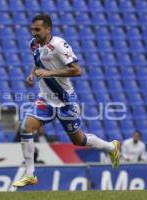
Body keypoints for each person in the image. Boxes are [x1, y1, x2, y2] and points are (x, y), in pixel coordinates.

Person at [12, 14, 120, 187]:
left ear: (48, 29)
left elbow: (77, 71)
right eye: (32, 29)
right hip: (45, 99)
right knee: (26, 127)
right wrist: (31, 74)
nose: (34, 33)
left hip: (65, 100)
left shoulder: (59, 45)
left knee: (78, 140)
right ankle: (30, 174)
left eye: (38, 29)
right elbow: (38, 62)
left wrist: (49, 73)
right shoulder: (33, 44)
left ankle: (111, 147)